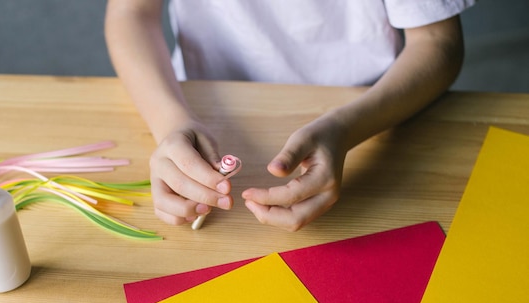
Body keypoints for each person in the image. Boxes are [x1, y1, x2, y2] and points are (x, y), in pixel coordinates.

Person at [105, 0, 475, 231]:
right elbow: (130, 11)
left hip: (375, 106)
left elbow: (438, 43)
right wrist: (170, 122)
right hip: (200, 99)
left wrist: (346, 128)